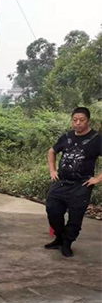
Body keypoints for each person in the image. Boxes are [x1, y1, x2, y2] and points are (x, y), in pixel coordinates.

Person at [45, 107, 101, 257]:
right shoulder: (67, 136)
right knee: (52, 209)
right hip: (61, 182)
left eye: (81, 120)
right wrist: (52, 170)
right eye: (75, 120)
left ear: (88, 121)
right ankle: (59, 237)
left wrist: (97, 178)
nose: (77, 123)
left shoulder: (96, 139)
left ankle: (67, 243)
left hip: (81, 185)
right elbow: (52, 151)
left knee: (75, 216)